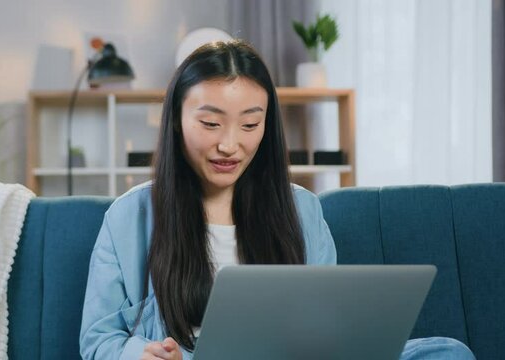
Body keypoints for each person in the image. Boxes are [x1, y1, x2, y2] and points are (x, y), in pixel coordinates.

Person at [79, 40, 474, 360]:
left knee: (448, 353)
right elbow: (98, 340)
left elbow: (329, 323)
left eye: (250, 124)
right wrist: (141, 355)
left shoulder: (302, 210)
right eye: (210, 123)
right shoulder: (129, 217)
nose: (229, 144)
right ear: (177, 121)